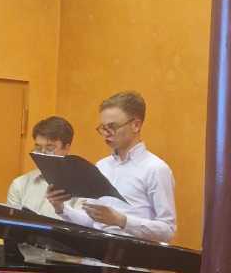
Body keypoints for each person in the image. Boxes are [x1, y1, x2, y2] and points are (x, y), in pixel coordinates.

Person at [47, 91, 176, 243]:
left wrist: (122, 220)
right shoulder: (101, 166)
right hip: (96, 252)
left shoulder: (155, 169)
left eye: (112, 127)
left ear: (136, 125)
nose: (106, 134)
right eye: (103, 128)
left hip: (134, 255)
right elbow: (92, 223)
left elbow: (168, 230)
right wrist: (60, 208)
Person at [7, 116, 75, 218]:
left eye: (50, 147)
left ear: (66, 148)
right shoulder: (20, 184)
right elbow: (11, 224)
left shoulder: (83, 186)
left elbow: (85, 225)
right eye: (38, 147)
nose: (42, 153)